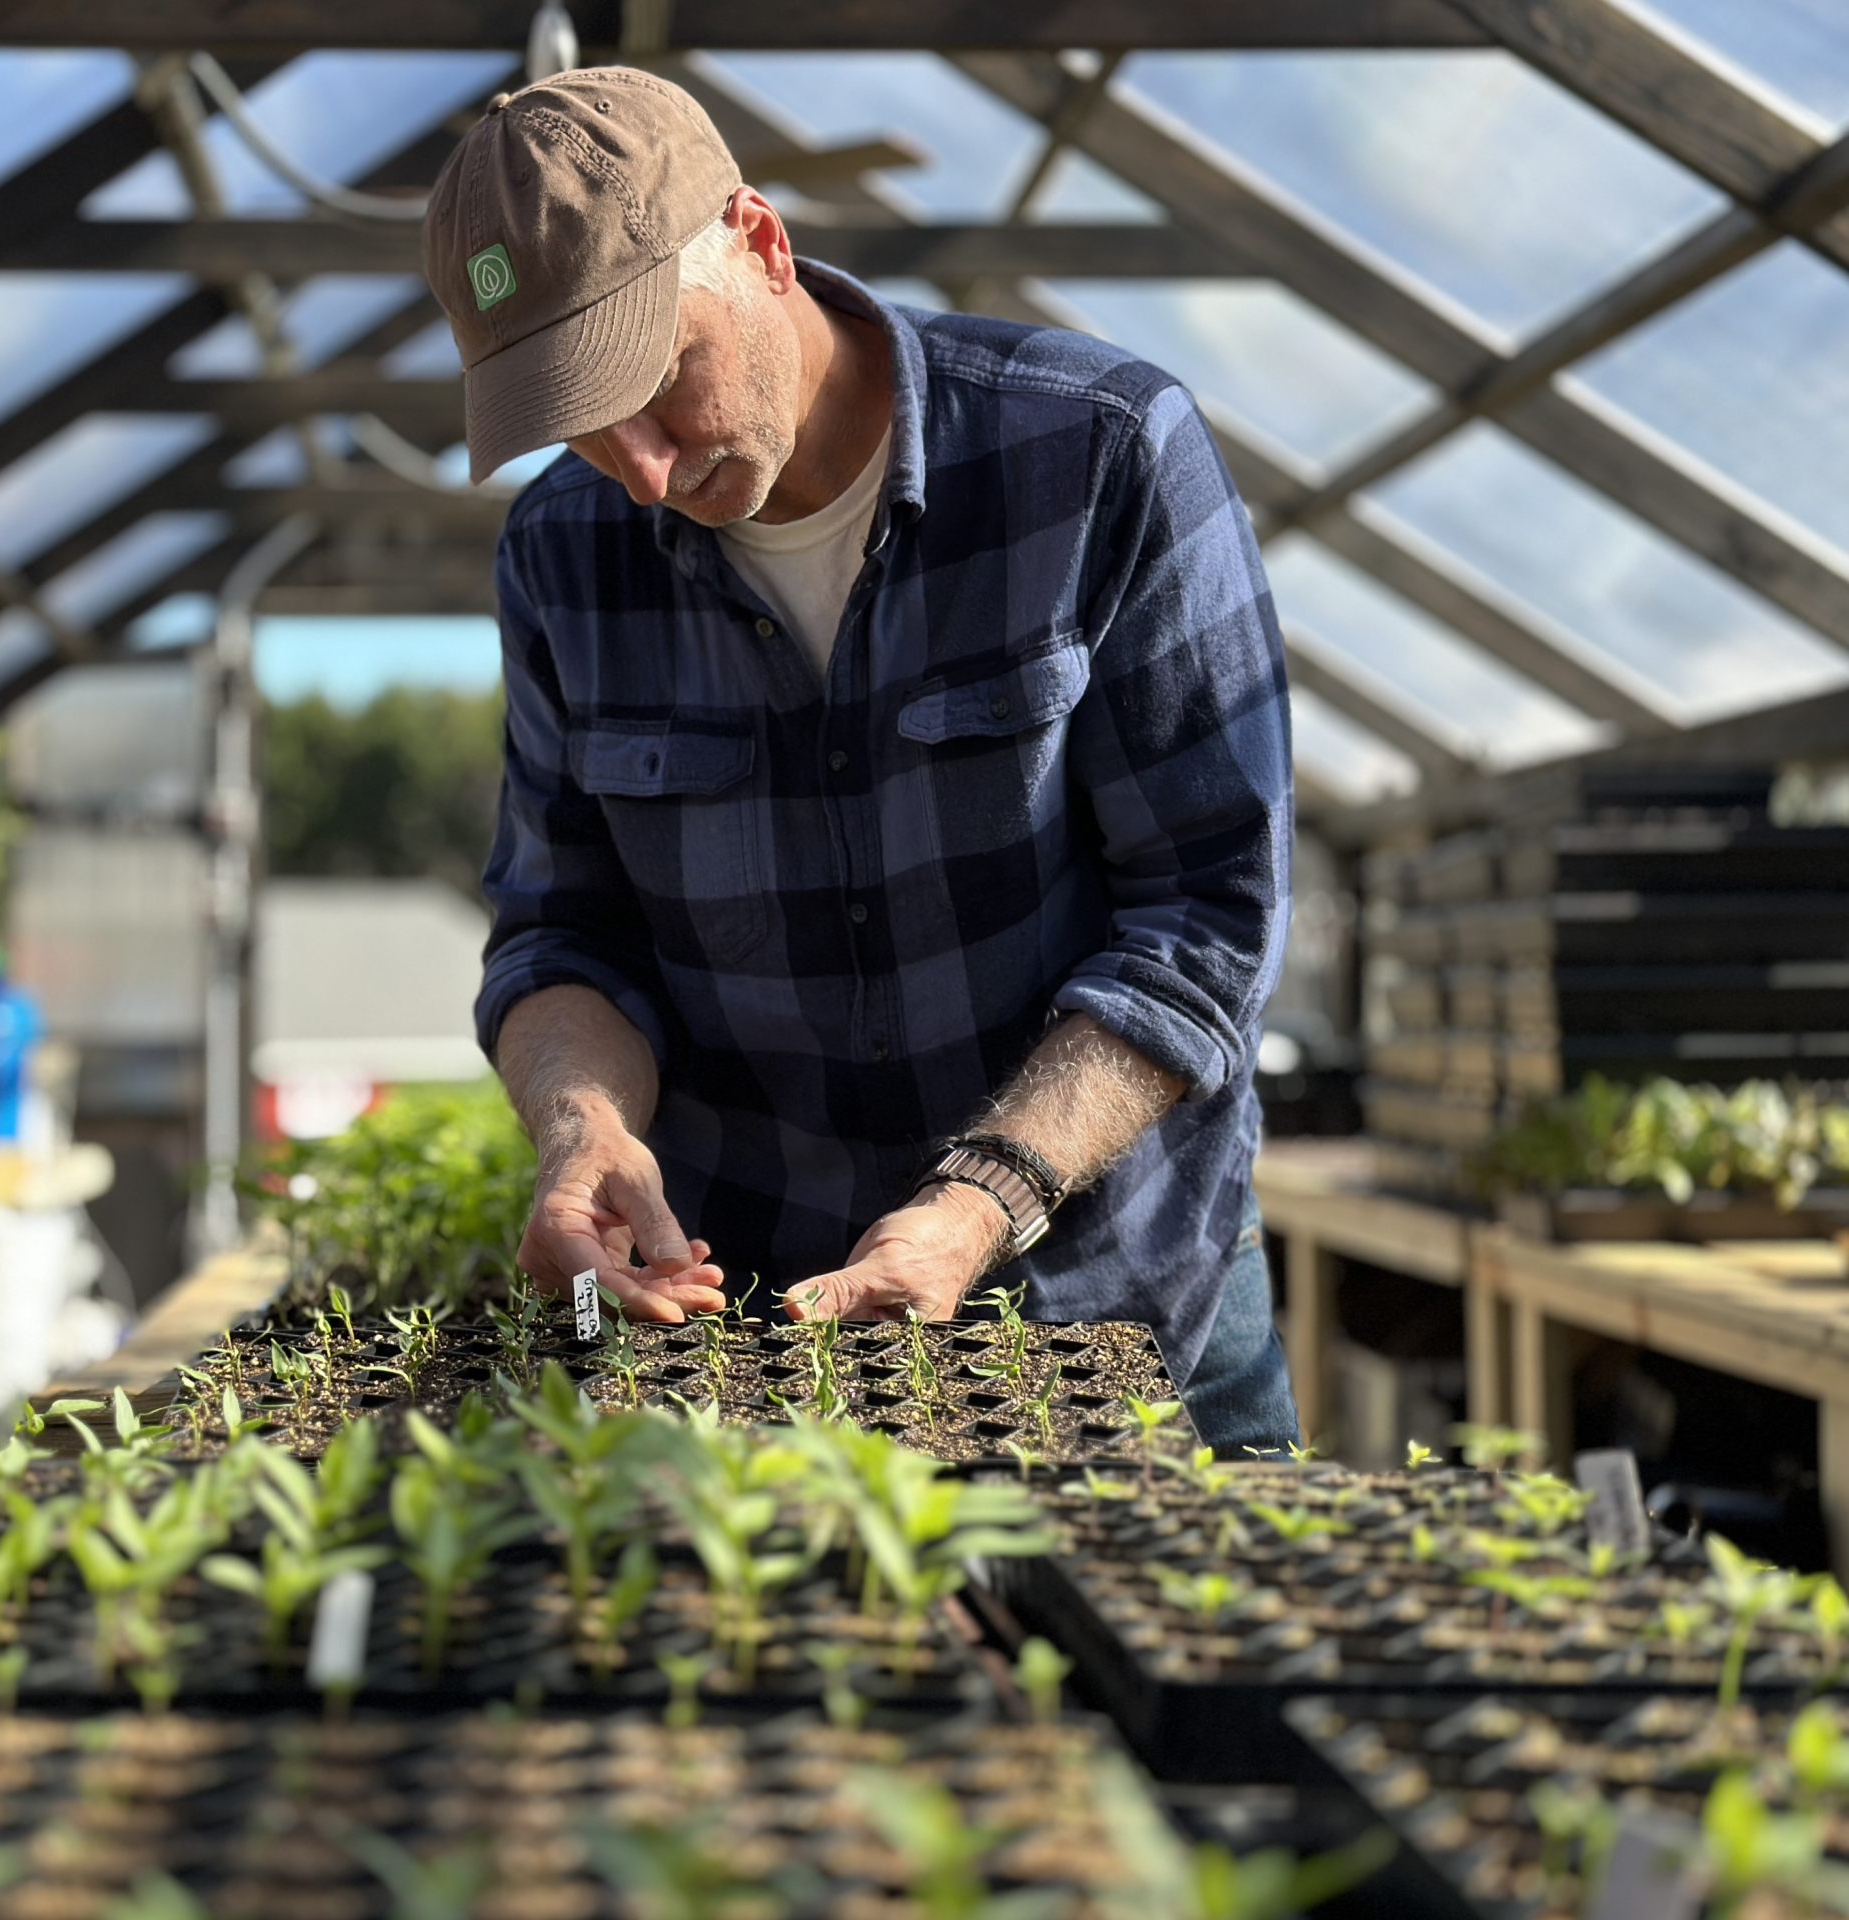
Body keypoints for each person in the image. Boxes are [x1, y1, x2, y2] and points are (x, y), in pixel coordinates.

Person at [421, 67, 1297, 1452]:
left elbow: (1206, 916)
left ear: (761, 243)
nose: (641, 470)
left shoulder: (1095, 457)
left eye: (655, 380)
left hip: (1120, 1303)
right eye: (580, 423)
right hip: (758, 1335)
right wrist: (583, 1129)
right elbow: (563, 932)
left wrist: (982, 1199)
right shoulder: (562, 556)